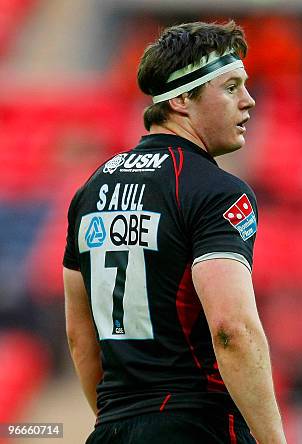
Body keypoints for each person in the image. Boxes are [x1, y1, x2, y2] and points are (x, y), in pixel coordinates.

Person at [63, 21, 287, 444]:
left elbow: (80, 336)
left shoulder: (90, 189)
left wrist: (120, 422)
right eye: (231, 87)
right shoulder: (217, 191)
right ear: (183, 99)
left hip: (111, 430)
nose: (250, 101)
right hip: (196, 424)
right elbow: (231, 329)